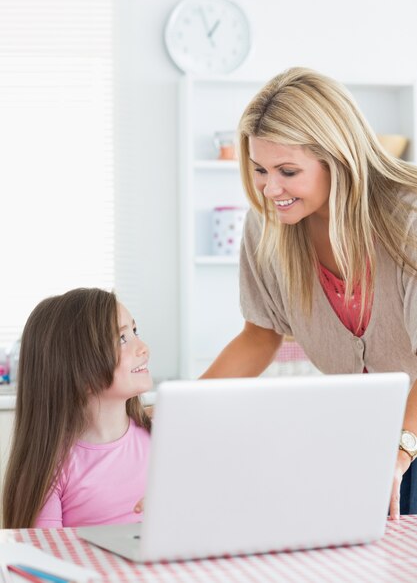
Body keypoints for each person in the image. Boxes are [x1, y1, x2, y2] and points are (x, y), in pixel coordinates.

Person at [201, 67, 417, 520]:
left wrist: (400, 448)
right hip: (364, 432)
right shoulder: (267, 225)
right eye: (259, 169)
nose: (269, 188)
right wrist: (186, 411)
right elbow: (260, 336)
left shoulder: (409, 218)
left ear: (338, 159)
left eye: (288, 171)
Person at [2, 287, 152, 528]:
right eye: (122, 338)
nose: (143, 347)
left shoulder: (161, 437)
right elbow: (44, 557)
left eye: (135, 331)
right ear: (79, 370)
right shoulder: (52, 468)